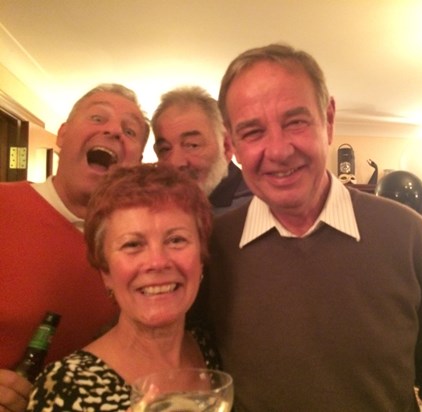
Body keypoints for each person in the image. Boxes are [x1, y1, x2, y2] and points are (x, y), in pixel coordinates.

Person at [201, 43, 422, 410]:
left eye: (295, 122)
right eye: (252, 131)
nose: (277, 151)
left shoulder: (406, 235)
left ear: (327, 119)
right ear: (232, 144)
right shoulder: (214, 248)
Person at [0, 84, 150, 412]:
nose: (113, 130)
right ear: (62, 135)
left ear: (136, 163)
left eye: (129, 130)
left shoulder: (142, 250)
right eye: (98, 117)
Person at [26, 163, 220, 411]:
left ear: (201, 260)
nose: (157, 262)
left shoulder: (211, 347)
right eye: (132, 245)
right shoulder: (65, 387)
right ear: (105, 271)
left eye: (176, 240)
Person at [151, 86, 251, 214]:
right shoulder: (156, 209)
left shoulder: (259, 205)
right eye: (165, 149)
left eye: (192, 145)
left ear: (226, 146)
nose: (175, 162)